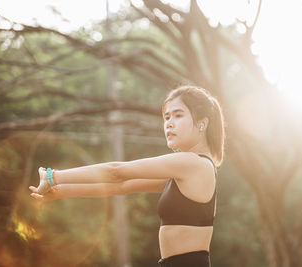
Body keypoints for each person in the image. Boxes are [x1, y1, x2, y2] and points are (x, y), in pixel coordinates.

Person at [29, 85, 225, 267]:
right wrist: (61, 192)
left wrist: (54, 176)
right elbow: (122, 186)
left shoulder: (192, 163)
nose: (169, 124)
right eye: (166, 117)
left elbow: (117, 172)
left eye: (178, 115)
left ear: (202, 124)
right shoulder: (188, 169)